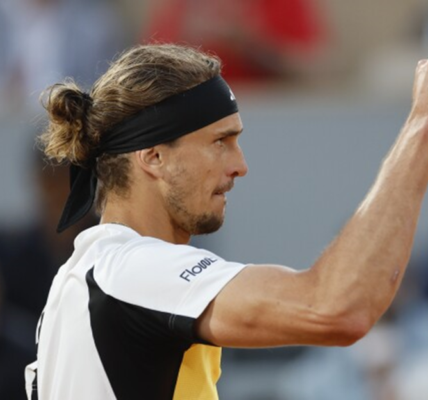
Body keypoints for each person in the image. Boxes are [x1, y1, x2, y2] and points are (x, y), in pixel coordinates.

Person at [25, 43, 428, 399]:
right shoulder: (131, 271)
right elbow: (337, 307)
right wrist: (420, 131)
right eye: (221, 141)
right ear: (153, 157)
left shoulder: (84, 279)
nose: (241, 165)